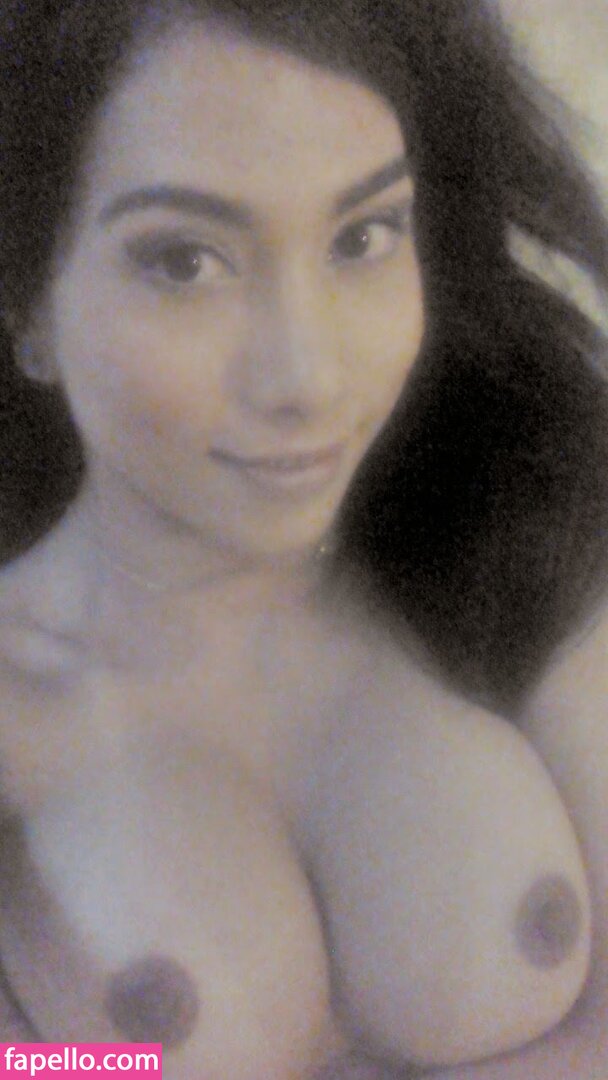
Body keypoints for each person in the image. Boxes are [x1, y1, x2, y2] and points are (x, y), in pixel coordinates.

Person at [0, 1, 606, 1077]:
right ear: (29, 310)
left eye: (362, 238)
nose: (307, 377)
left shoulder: (516, 531)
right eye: (184, 261)